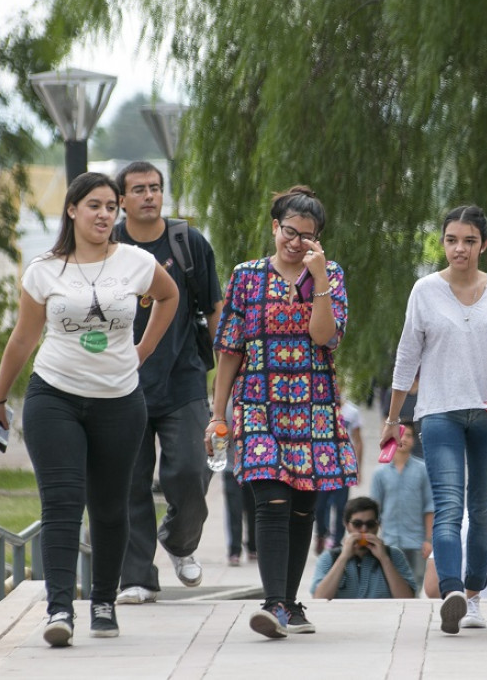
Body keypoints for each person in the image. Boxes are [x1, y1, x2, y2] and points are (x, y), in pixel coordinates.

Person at [0, 172, 178, 647]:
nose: (105, 214)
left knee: (110, 508)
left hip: (120, 400)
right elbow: (24, 338)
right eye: (94, 205)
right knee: (63, 503)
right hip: (55, 397)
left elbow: (169, 297)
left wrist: (143, 350)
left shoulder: (136, 261)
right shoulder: (44, 270)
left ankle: (105, 600)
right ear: (72, 210)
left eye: (112, 206)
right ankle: (59, 609)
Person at [209, 185, 356, 639]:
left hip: (312, 406)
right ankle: (273, 603)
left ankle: (290, 602)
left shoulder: (329, 275)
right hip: (258, 404)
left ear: (318, 239)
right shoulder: (247, 276)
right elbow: (230, 348)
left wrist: (319, 282)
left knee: (301, 508)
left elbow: (324, 337)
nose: (295, 242)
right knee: (271, 499)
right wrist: (219, 413)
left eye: (306, 236)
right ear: (275, 228)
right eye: (289, 232)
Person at [382, 205, 487, 635]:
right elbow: (407, 357)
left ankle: (475, 595)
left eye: (469, 241)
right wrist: (392, 418)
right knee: (448, 508)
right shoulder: (424, 290)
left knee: (482, 510)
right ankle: (452, 593)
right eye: (451, 240)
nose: (459, 249)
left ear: (484, 244)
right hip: (438, 412)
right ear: (443, 242)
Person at [112, 161, 224, 604]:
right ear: (122, 199)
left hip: (183, 379)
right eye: (138, 189)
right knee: (129, 482)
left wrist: (229, 374)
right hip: (120, 385)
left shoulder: (187, 242)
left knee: (194, 469)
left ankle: (179, 541)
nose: (148, 196)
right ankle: (137, 577)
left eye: (154, 188)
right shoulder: (109, 243)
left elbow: (215, 308)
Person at [310, 496, 417, 599]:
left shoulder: (393, 555)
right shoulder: (329, 557)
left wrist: (384, 559)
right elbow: (319, 598)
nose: (364, 529)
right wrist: (343, 557)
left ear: (378, 526)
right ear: (347, 525)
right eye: (357, 524)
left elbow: (407, 598)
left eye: (370, 524)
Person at [370, 421, 434, 588]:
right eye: (400, 434)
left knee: (416, 584)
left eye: (408, 435)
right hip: (389, 540)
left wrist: (428, 540)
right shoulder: (380, 473)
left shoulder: (423, 470)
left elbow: (429, 507)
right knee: (390, 584)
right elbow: (374, 510)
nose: (403, 439)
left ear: (414, 440)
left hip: (416, 541)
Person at [315, 390, 364, 554]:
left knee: (341, 506)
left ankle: (336, 542)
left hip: (344, 466)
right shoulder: (320, 409)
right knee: (320, 506)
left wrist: (358, 468)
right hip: (322, 467)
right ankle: (322, 533)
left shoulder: (352, 412)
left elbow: (358, 441)